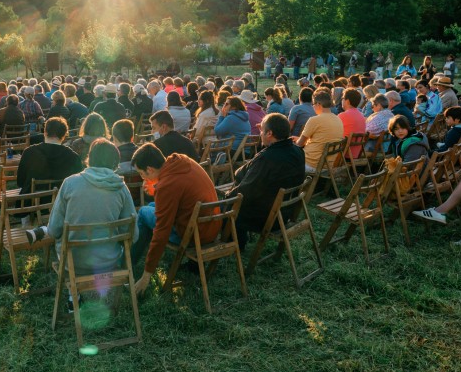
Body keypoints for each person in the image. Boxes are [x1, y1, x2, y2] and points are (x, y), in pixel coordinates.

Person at [25, 139, 136, 299]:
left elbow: (55, 229)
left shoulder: (70, 183)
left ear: (89, 158)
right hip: (108, 261)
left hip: (74, 261)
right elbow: (133, 233)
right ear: (115, 163)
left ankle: (73, 296)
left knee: (59, 236)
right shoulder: (121, 188)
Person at [131, 143, 222, 295]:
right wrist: (157, 190)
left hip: (194, 236)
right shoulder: (182, 161)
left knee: (144, 211)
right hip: (211, 226)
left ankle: (131, 261)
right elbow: (178, 194)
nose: (142, 178)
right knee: (154, 204)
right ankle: (137, 256)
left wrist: (147, 274)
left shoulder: (167, 185)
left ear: (150, 170)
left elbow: (162, 231)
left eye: (142, 173)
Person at [224, 113, 305, 250]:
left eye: (262, 130)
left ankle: (235, 244)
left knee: (230, 205)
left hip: (267, 217)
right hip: (286, 212)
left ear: (270, 133)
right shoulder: (298, 151)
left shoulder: (268, 158)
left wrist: (227, 198)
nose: (260, 133)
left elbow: (246, 190)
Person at [17, 117, 83, 197]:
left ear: (45, 132)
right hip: (62, 203)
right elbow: (77, 185)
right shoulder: (73, 157)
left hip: (31, 204)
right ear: (64, 135)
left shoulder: (29, 152)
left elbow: (20, 182)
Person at [295, 89, 344, 173]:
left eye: (313, 104)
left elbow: (299, 144)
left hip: (312, 163)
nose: (313, 107)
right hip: (329, 164)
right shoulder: (338, 119)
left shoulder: (314, 120)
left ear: (318, 104)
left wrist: (297, 140)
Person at [338, 89, 366, 158]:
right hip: (356, 153)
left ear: (347, 101)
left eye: (342, 98)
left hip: (344, 154)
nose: (341, 100)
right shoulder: (361, 115)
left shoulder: (343, 115)